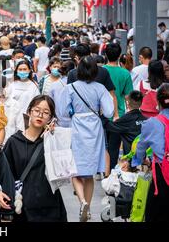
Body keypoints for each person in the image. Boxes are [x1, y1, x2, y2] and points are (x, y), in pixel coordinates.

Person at [60, 56, 114, 222]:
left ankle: (82, 201)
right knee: (90, 172)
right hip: (95, 127)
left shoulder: (70, 88)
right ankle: (88, 207)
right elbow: (109, 112)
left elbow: (62, 111)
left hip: (76, 127)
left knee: (75, 170)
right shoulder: (100, 88)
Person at [4, 95, 67, 222]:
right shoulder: (14, 142)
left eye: (46, 113)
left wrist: (55, 137)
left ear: (50, 118)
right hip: (22, 206)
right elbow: (5, 175)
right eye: (37, 110)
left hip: (50, 204)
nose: (40, 115)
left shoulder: (52, 141)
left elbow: (65, 170)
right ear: (29, 112)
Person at [133, 84, 169, 222]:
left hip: (164, 174)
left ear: (158, 102)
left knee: (155, 212)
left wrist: (137, 161)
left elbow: (141, 147)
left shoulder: (152, 123)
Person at [102, 90, 147, 169]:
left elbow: (109, 126)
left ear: (127, 103)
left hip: (131, 160)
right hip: (145, 158)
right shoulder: (145, 119)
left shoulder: (126, 119)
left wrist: (101, 116)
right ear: (141, 103)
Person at [103, 43, 133, 117]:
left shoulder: (101, 71)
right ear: (119, 56)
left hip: (103, 112)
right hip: (120, 114)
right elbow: (128, 96)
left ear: (106, 55)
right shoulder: (125, 73)